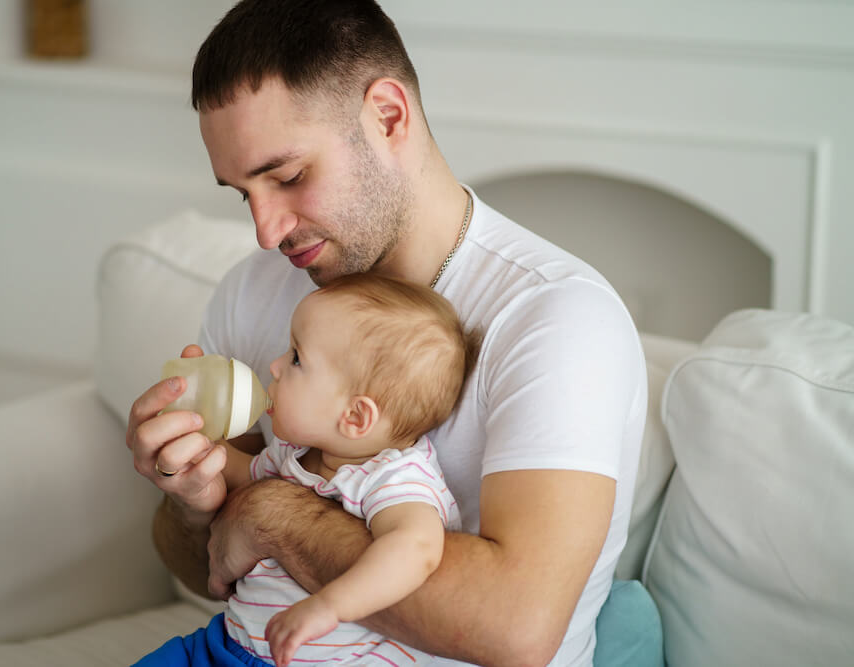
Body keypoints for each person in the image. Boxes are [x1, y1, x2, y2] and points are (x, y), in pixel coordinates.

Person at [126, 1, 648, 665]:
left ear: (389, 116)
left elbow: (517, 629)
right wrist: (191, 497)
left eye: (288, 177)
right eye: (243, 193)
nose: (265, 230)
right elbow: (202, 569)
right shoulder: (253, 291)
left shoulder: (555, 319)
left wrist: (269, 514)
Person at [137, 273, 477, 666]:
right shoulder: (296, 453)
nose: (274, 366)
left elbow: (415, 549)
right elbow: (241, 474)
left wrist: (331, 607)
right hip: (226, 645)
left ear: (355, 415)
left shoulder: (394, 477)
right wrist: (195, 434)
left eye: (296, 358)